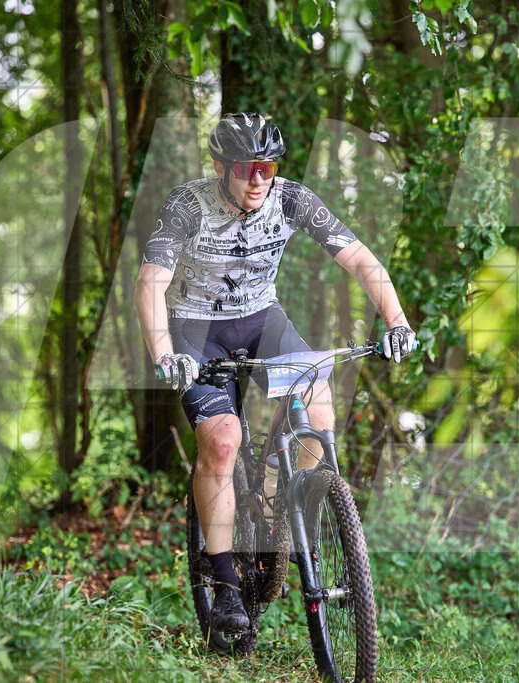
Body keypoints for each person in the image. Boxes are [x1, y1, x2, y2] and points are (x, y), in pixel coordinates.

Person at [135, 112, 415, 633]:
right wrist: (163, 354)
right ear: (221, 166)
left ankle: (286, 510)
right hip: (197, 327)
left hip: (262, 318)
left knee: (319, 397)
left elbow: (359, 259)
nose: (258, 178)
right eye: (245, 168)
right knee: (221, 441)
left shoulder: (290, 197)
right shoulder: (187, 204)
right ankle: (224, 587)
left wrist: (396, 321)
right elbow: (151, 282)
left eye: (267, 165)